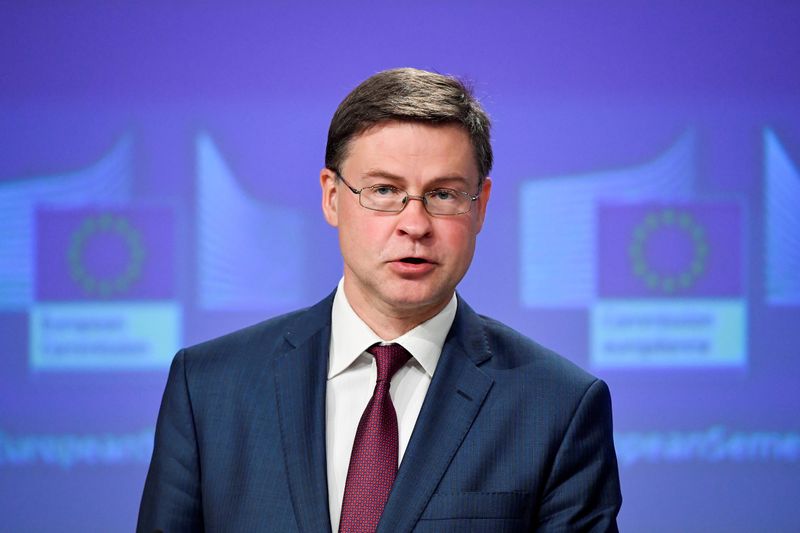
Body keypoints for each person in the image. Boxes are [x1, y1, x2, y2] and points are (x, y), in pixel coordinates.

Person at [137, 67, 622, 532]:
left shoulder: (558, 406)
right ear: (331, 197)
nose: (415, 224)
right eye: (385, 190)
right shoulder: (208, 388)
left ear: (482, 206)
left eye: (445, 195)